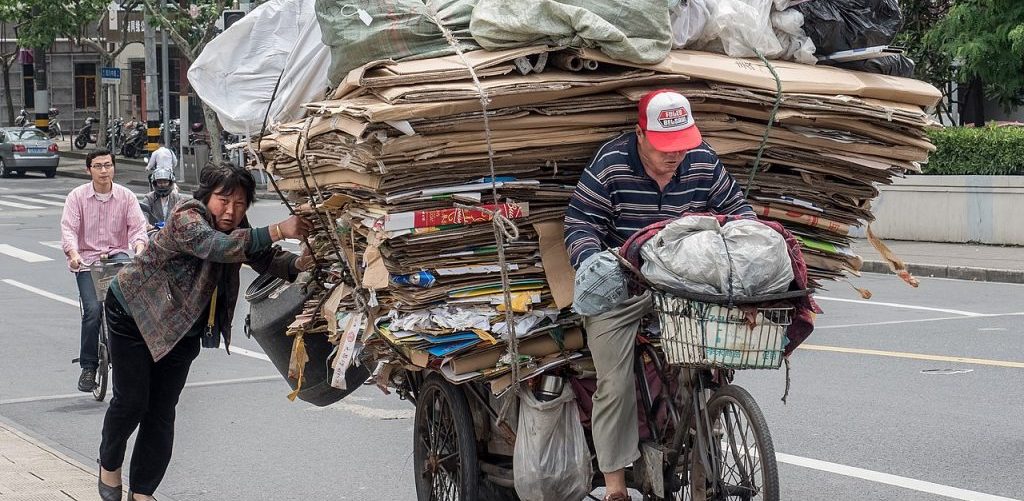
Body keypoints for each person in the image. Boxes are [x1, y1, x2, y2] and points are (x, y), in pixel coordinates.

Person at [563, 89, 755, 501]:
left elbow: (739, 211)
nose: (675, 157)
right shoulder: (611, 164)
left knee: (711, 363)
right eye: (666, 148)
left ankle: (703, 435)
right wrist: (593, 262)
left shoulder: (702, 160)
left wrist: (748, 247)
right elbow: (580, 222)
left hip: (688, 285)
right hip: (625, 288)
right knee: (613, 382)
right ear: (639, 134)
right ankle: (616, 486)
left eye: (682, 146)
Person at [96, 163, 315, 501]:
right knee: (132, 401)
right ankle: (109, 465)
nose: (231, 210)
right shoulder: (188, 216)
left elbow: (265, 258)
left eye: (240, 203)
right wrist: (281, 228)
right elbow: (215, 246)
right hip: (133, 313)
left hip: (183, 327)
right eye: (223, 199)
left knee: (162, 410)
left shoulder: (237, 228)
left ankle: (142, 493)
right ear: (206, 196)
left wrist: (303, 263)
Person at [60, 149, 148, 393]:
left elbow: (138, 228)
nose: (103, 170)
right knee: (92, 310)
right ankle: (88, 367)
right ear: (88, 169)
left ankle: (133, 360)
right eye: (98, 166)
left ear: (113, 168)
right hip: (87, 260)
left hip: (117, 257)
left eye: (108, 165)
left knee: (128, 309)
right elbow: (69, 230)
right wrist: (74, 255)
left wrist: (139, 249)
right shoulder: (76, 197)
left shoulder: (126, 196)